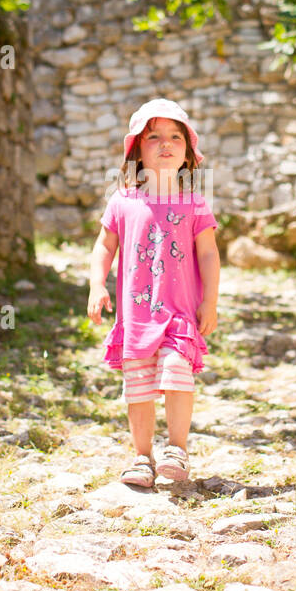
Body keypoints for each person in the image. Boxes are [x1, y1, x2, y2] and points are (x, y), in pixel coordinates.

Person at [87, 98, 220, 487]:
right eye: (154, 136)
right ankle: (142, 456)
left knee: (178, 375)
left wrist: (209, 301)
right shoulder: (123, 201)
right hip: (137, 316)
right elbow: (103, 247)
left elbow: (209, 254)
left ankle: (176, 448)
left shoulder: (194, 202)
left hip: (179, 312)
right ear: (136, 152)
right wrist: (98, 284)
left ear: (188, 152)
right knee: (139, 387)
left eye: (175, 136)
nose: (166, 143)